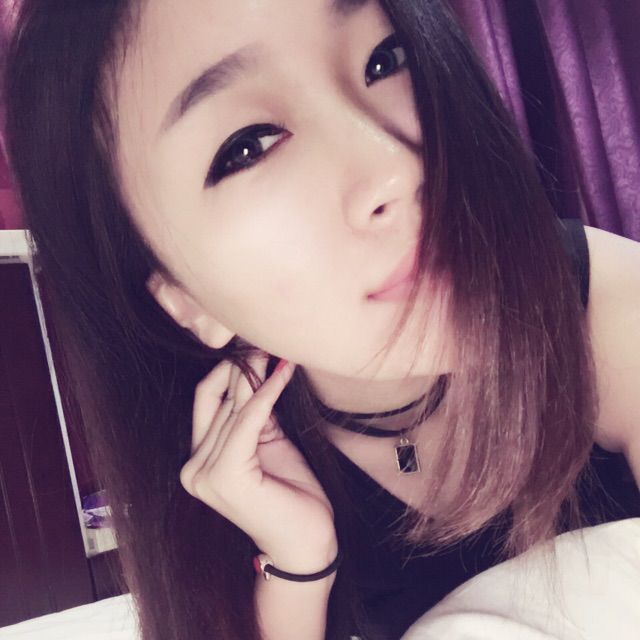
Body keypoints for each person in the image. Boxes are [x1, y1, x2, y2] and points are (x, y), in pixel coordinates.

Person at [2, 1, 639, 639]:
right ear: (187, 302)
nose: (400, 167)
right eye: (248, 146)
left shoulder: (600, 304)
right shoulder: (227, 479)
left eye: (385, 59)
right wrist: (297, 563)